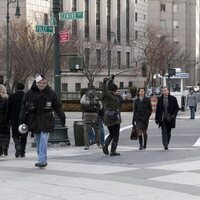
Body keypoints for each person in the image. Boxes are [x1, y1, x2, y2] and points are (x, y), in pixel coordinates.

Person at [19, 74, 66, 167]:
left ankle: (42, 160)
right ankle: (41, 158)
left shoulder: (51, 92)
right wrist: (22, 119)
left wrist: (62, 117)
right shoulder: (29, 93)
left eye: (44, 80)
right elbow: (23, 107)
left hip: (46, 119)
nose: (43, 82)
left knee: (43, 139)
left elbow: (57, 105)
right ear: (37, 82)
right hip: (34, 119)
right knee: (38, 140)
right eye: (41, 80)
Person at [102, 76, 122, 156]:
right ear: (114, 91)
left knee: (111, 133)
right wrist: (104, 83)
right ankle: (113, 150)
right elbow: (105, 91)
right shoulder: (111, 97)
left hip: (108, 117)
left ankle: (105, 145)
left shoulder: (110, 96)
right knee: (116, 134)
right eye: (116, 90)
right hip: (114, 118)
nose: (117, 91)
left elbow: (109, 88)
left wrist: (111, 80)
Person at [6, 82, 26, 158]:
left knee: (15, 135)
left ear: (16, 88)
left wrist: (7, 119)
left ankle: (17, 146)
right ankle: (22, 152)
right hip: (24, 119)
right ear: (23, 87)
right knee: (24, 135)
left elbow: (8, 108)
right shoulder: (26, 96)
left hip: (14, 119)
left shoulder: (12, 96)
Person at [80, 86, 102, 150]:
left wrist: (89, 103)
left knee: (86, 130)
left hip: (86, 114)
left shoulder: (85, 95)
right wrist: (94, 104)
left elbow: (81, 102)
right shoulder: (97, 96)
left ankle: (87, 145)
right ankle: (99, 144)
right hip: (95, 115)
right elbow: (101, 107)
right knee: (97, 130)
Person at [0, 84, 10, 156]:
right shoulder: (6, 99)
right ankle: (5, 146)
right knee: (6, 134)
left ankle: (0, 150)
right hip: (5, 119)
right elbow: (8, 110)